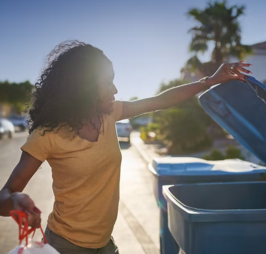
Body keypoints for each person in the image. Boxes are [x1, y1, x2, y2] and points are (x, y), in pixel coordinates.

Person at [0, 40, 251, 254]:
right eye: (108, 83)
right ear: (84, 89)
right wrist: (15, 201)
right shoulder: (47, 135)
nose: (116, 89)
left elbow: (161, 100)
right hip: (65, 246)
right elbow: (5, 195)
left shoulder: (108, 115)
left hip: (105, 245)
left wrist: (210, 80)